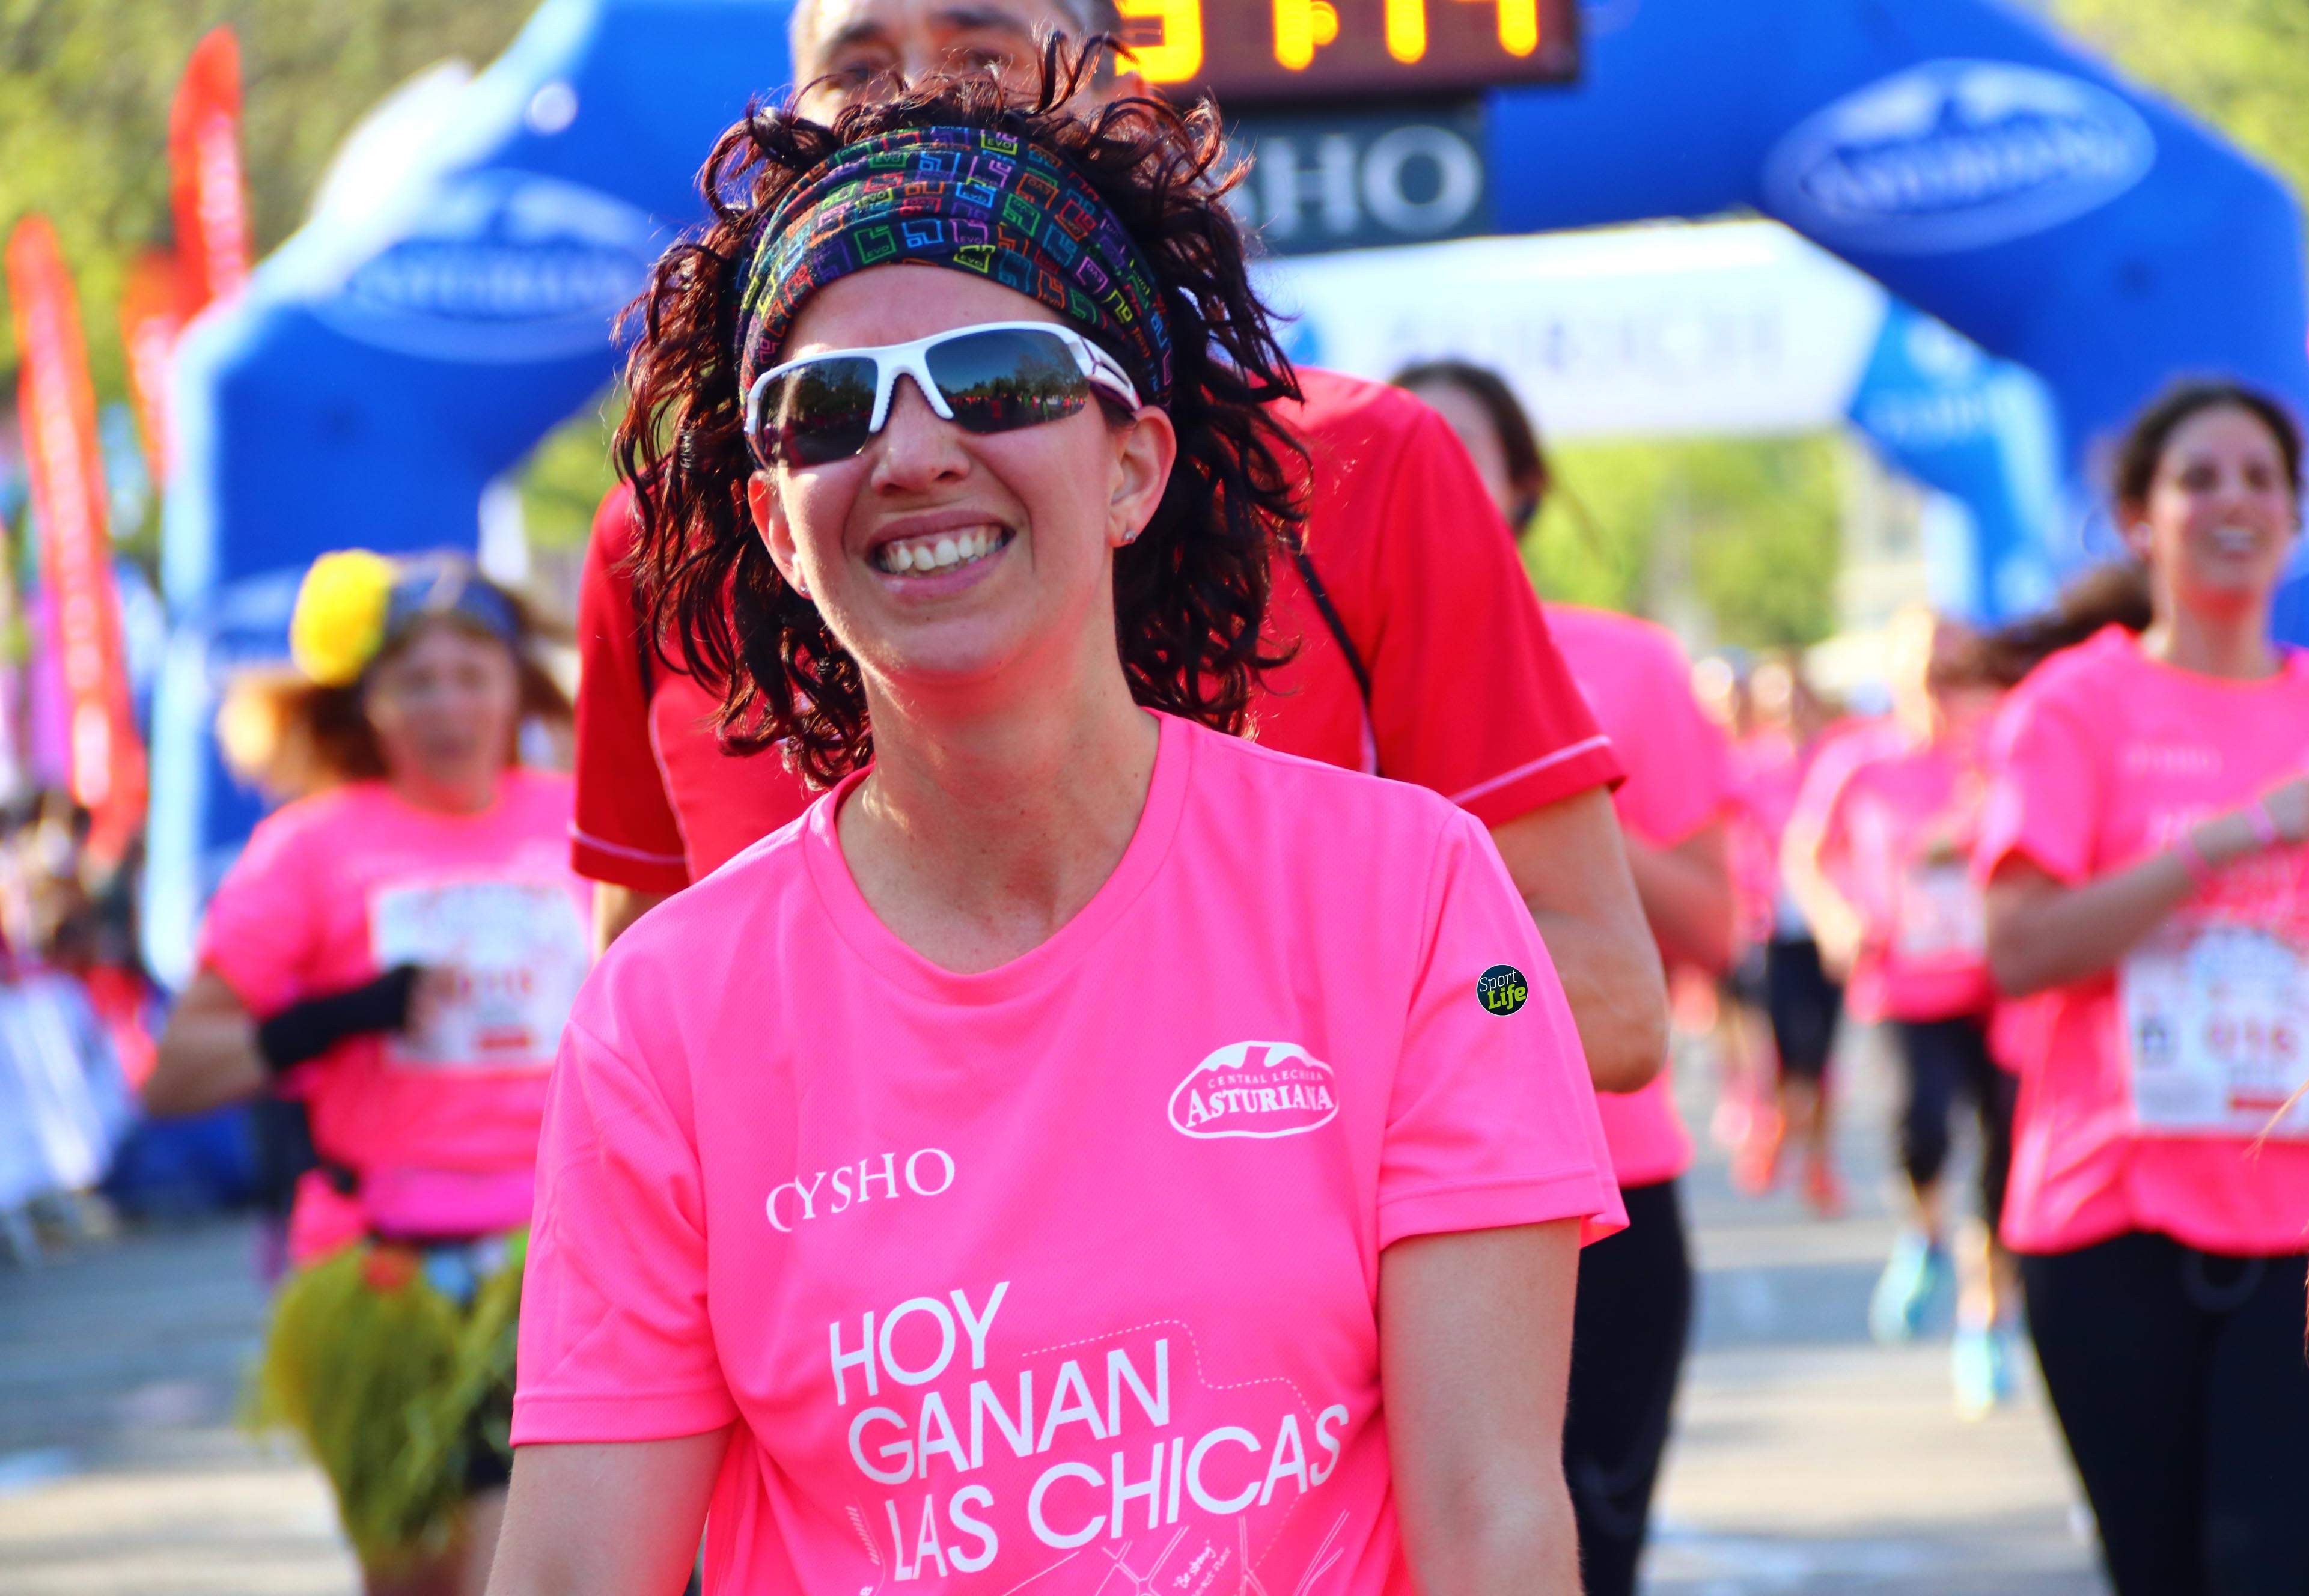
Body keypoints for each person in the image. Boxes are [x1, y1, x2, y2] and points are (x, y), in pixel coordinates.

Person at [489, 62, 1621, 1596]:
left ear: (1133, 466)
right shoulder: (666, 1012)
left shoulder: (1406, 894)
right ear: (776, 522)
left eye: (1000, 382)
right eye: (826, 410)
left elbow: (1493, 1524)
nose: (911, 453)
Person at [568, 0, 1668, 1095]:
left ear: (1115, 101)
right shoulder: (663, 545)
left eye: (981, 53)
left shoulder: (1361, 465)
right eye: (857, 68)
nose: (915, 97)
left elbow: (1599, 996)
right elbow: (643, 1035)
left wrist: (1252, 1052)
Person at [1976, 381, 2309, 1595]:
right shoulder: (2073, 706)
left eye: (2260, 478)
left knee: (2291, 1571)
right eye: (2197, 477)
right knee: (2161, 1572)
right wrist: (2224, 841)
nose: (2233, 501)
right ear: (2135, 518)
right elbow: (2019, 948)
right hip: (2112, 1210)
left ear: (2295, 516)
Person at [142, 551, 585, 1596]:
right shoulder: (311, 849)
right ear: (368, 704)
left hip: (562, 1264)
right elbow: (174, 1078)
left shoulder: (581, 819)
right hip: (384, 1276)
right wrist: (337, 1018)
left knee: (515, 1562)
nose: (448, 706)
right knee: (413, 1580)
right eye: (414, 682)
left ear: (516, 686)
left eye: (472, 675)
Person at [1394, 358, 1737, 1596]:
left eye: (1458, 455)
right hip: (1392, 1201)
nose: (1426, 482)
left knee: (1589, 1549)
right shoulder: (1317, 665)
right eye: (1399, 457)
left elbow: (1712, 930)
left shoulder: (1628, 666)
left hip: (1609, 1185)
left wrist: (1546, 800)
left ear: (1525, 487)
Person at [1783, 608, 2018, 1415]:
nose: (1941, 688)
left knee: (2002, 1160)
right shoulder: (1858, 762)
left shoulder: (2001, 756)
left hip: (2000, 988)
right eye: (1926, 671)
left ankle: (1984, 1323)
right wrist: (1835, 919)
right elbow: (1805, 853)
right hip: (1903, 986)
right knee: (1921, 1129)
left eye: (1956, 670)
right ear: (1896, 676)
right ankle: (1924, 1233)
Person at [1734, 654, 1861, 1213]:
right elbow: (1735, 843)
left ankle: (1819, 1161)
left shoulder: (1835, 763)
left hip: (1827, 932)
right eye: (1778, 701)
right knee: (1787, 1050)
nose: (1788, 710)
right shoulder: (1751, 768)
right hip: (1772, 933)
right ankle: (1779, 1129)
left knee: (1824, 1052)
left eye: (1796, 698)